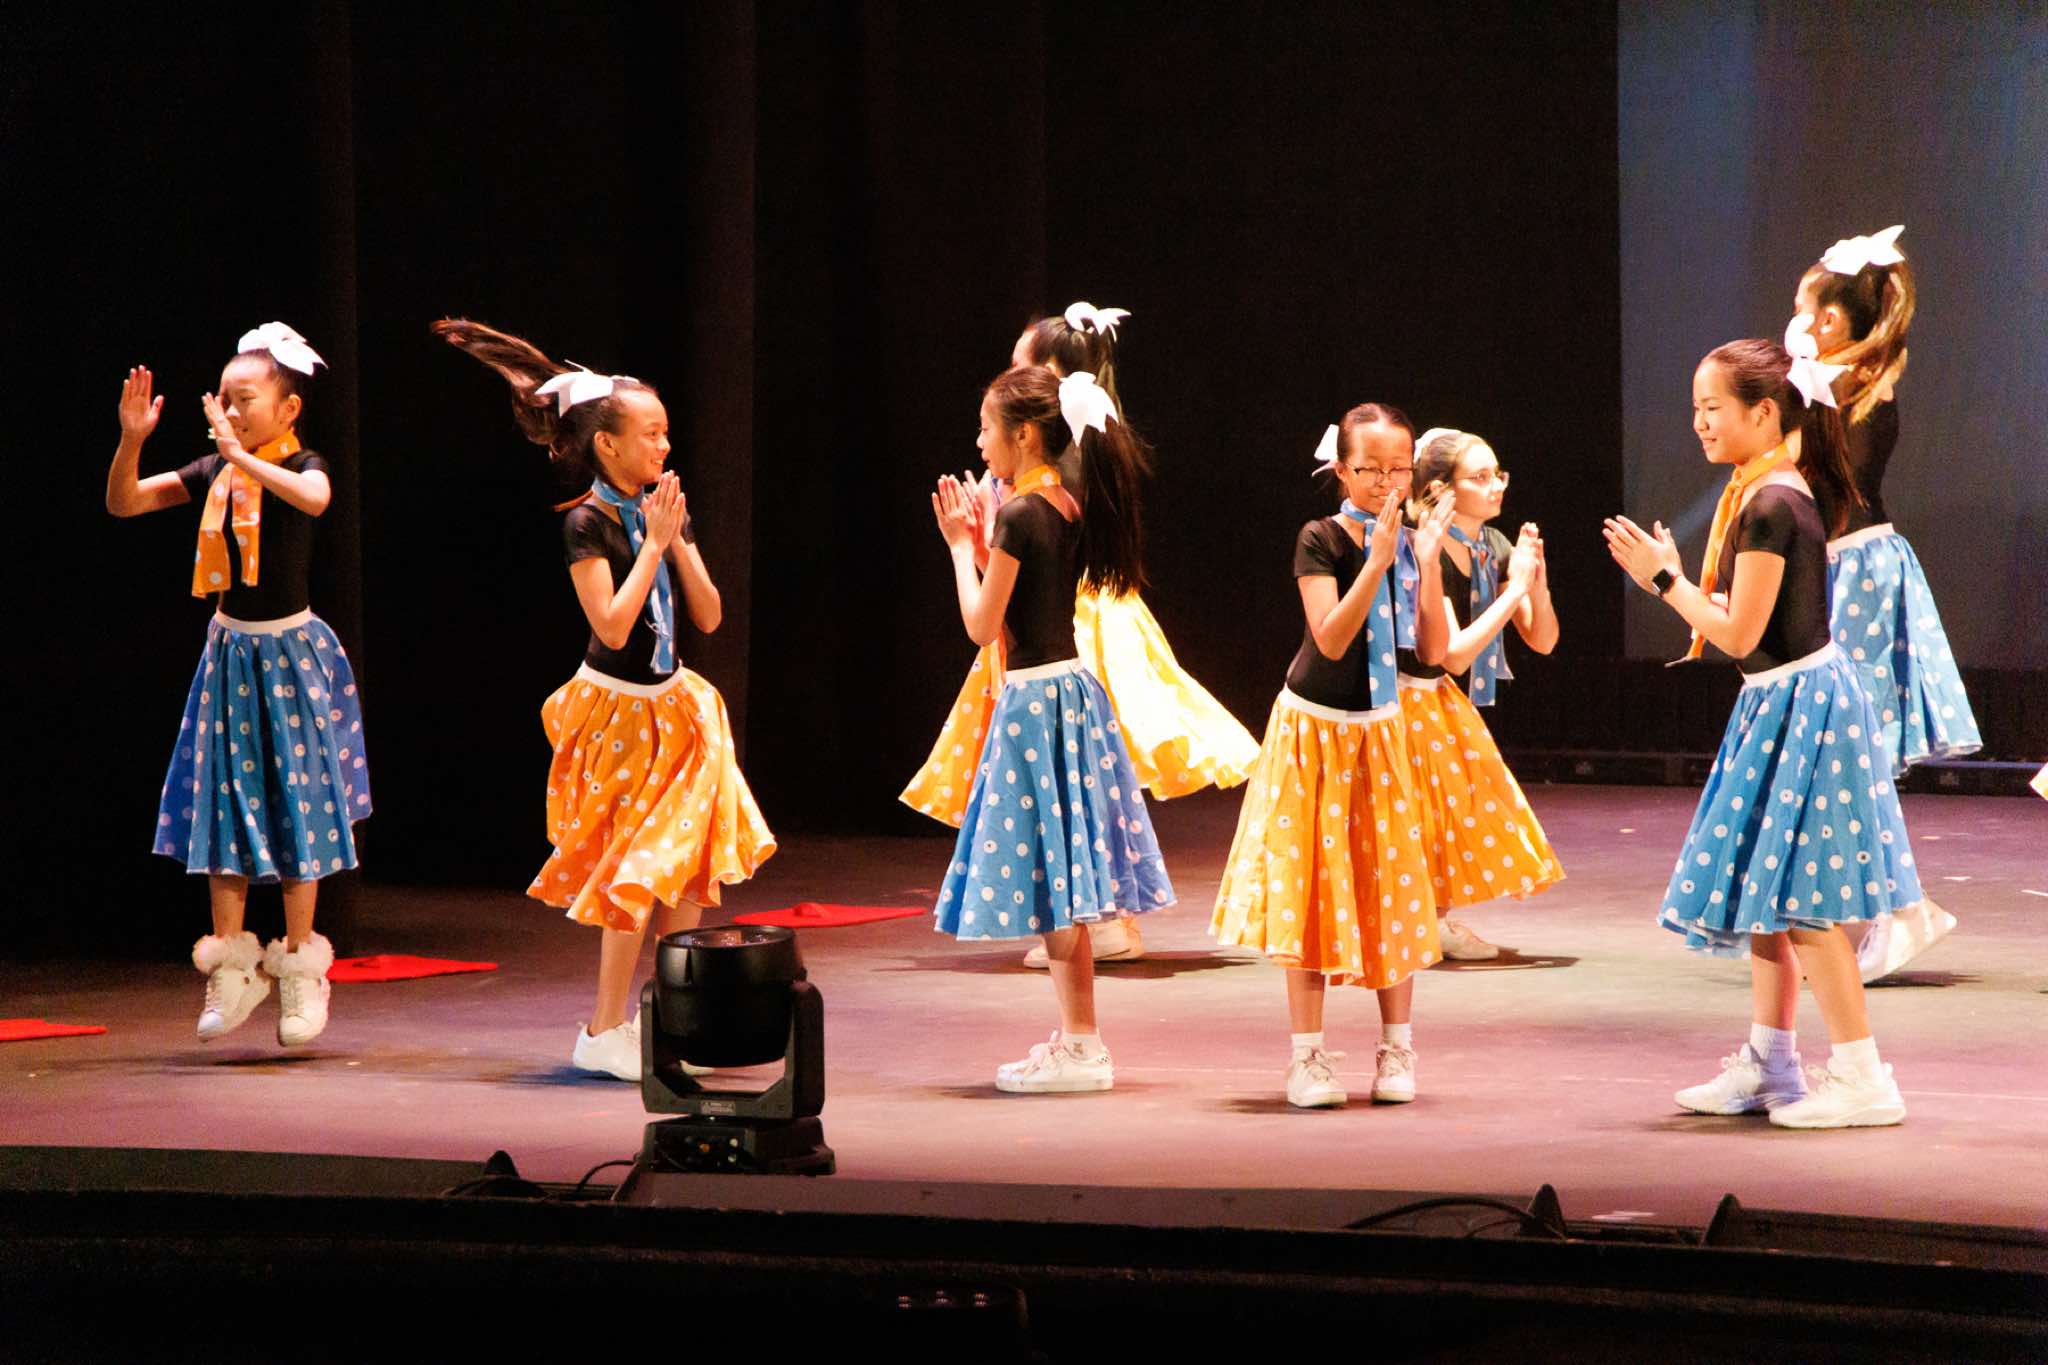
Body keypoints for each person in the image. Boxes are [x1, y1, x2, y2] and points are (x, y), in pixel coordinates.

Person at [435, 319, 773, 1080]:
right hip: (617, 714)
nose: (664, 446)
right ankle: (602, 1026)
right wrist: (651, 544)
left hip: (677, 707)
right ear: (607, 445)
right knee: (636, 872)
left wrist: (675, 539)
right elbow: (613, 624)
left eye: (666, 433)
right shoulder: (585, 523)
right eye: (650, 435)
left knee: (686, 866)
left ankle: (675, 1015)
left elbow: (709, 616)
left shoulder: (661, 511)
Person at [1604, 326, 1919, 1128]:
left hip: (1802, 708)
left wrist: (1663, 579)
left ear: (1765, 412)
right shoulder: (1765, 491)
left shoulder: (1773, 502)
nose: (1700, 422)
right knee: (1769, 897)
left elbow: (1739, 632)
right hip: (1782, 702)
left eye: (1713, 406)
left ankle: (1863, 1076)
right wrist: (1680, 579)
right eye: (1696, 408)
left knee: (1807, 901)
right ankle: (1772, 1063)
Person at [905, 303, 1258, 967]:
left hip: (1075, 623)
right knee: (1081, 774)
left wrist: (970, 545)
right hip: (1058, 617)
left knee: (1074, 776)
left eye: (1024, 365)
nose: (1014, 374)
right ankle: (1095, 915)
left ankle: (1098, 917)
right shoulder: (1067, 461)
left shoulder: (1058, 469)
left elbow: (1017, 582)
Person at [106, 323, 369, 1047]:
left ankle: (300, 968)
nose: (228, 409)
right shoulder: (215, 471)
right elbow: (125, 502)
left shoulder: (299, 464)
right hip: (230, 655)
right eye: (222, 398)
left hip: (290, 655)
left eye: (243, 398)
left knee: (299, 803)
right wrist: (132, 439)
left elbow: (315, 498)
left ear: (287, 409)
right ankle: (231, 966)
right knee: (226, 800)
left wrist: (240, 458)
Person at [929, 364, 1173, 1092]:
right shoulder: (1059, 503)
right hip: (1067, 691)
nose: (980, 443)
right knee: (1059, 876)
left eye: (987, 428)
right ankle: (1076, 1038)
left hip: (1035, 701)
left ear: (1026, 435)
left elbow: (983, 626)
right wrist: (985, 546)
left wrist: (957, 546)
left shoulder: (1019, 514)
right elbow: (1025, 598)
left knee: (1057, 880)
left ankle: (1084, 1045)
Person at [1211, 405, 1455, 1109]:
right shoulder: (1319, 537)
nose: (1386, 482)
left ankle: (1397, 1047)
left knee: (1391, 884)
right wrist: (1376, 561)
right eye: (1370, 468)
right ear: (1342, 469)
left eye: (1399, 468)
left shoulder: (1412, 540)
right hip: (1314, 732)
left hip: (1381, 730)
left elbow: (1434, 652)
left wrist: (1425, 563)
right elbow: (1332, 638)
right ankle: (1308, 1057)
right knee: (1310, 889)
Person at [1791, 225, 1976, 980]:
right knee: (1843, 749)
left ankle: (1901, 908)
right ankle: (1883, 908)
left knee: (1853, 746)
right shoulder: (1838, 381)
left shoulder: (1844, 386)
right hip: (1845, 567)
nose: (1795, 323)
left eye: (1803, 311)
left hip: (1855, 573)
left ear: (1833, 320)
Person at [1396, 428, 1564, 961]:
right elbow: (1453, 654)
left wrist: (1534, 580)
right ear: (1440, 489)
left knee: (1449, 808)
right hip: (1400, 695)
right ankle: (1416, 921)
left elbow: (1542, 639)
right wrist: (1514, 591)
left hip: (1436, 697)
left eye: (1499, 474)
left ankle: (1429, 919)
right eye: (1481, 477)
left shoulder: (1491, 545)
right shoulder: (1421, 546)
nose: (1497, 486)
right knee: (1417, 812)